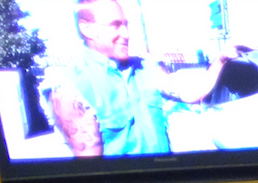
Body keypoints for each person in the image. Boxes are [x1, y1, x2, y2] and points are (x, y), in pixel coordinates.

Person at [45, 0, 169, 158]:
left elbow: (188, 92)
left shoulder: (146, 67)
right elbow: (92, 166)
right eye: (115, 26)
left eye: (126, 25)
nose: (126, 34)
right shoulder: (70, 88)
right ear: (87, 28)